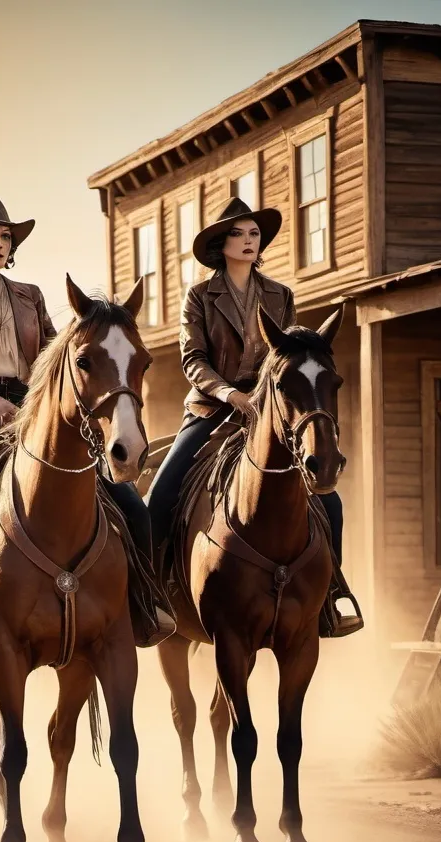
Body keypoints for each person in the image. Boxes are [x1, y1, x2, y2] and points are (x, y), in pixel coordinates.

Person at [0, 198, 162, 667]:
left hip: (33, 414)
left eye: (6, 237)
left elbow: (52, 353)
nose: (0, 244)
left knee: (131, 507)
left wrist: (34, 401)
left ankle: (144, 602)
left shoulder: (30, 295)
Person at [145, 197, 362, 637]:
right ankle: (152, 596)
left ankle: (333, 593)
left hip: (271, 412)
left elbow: (290, 358)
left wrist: (264, 399)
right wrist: (228, 392)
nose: (248, 242)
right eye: (239, 234)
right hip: (211, 409)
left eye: (254, 234)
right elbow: (193, 359)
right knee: (160, 493)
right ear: (221, 244)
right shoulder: (199, 296)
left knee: (331, 501)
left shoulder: (281, 295)